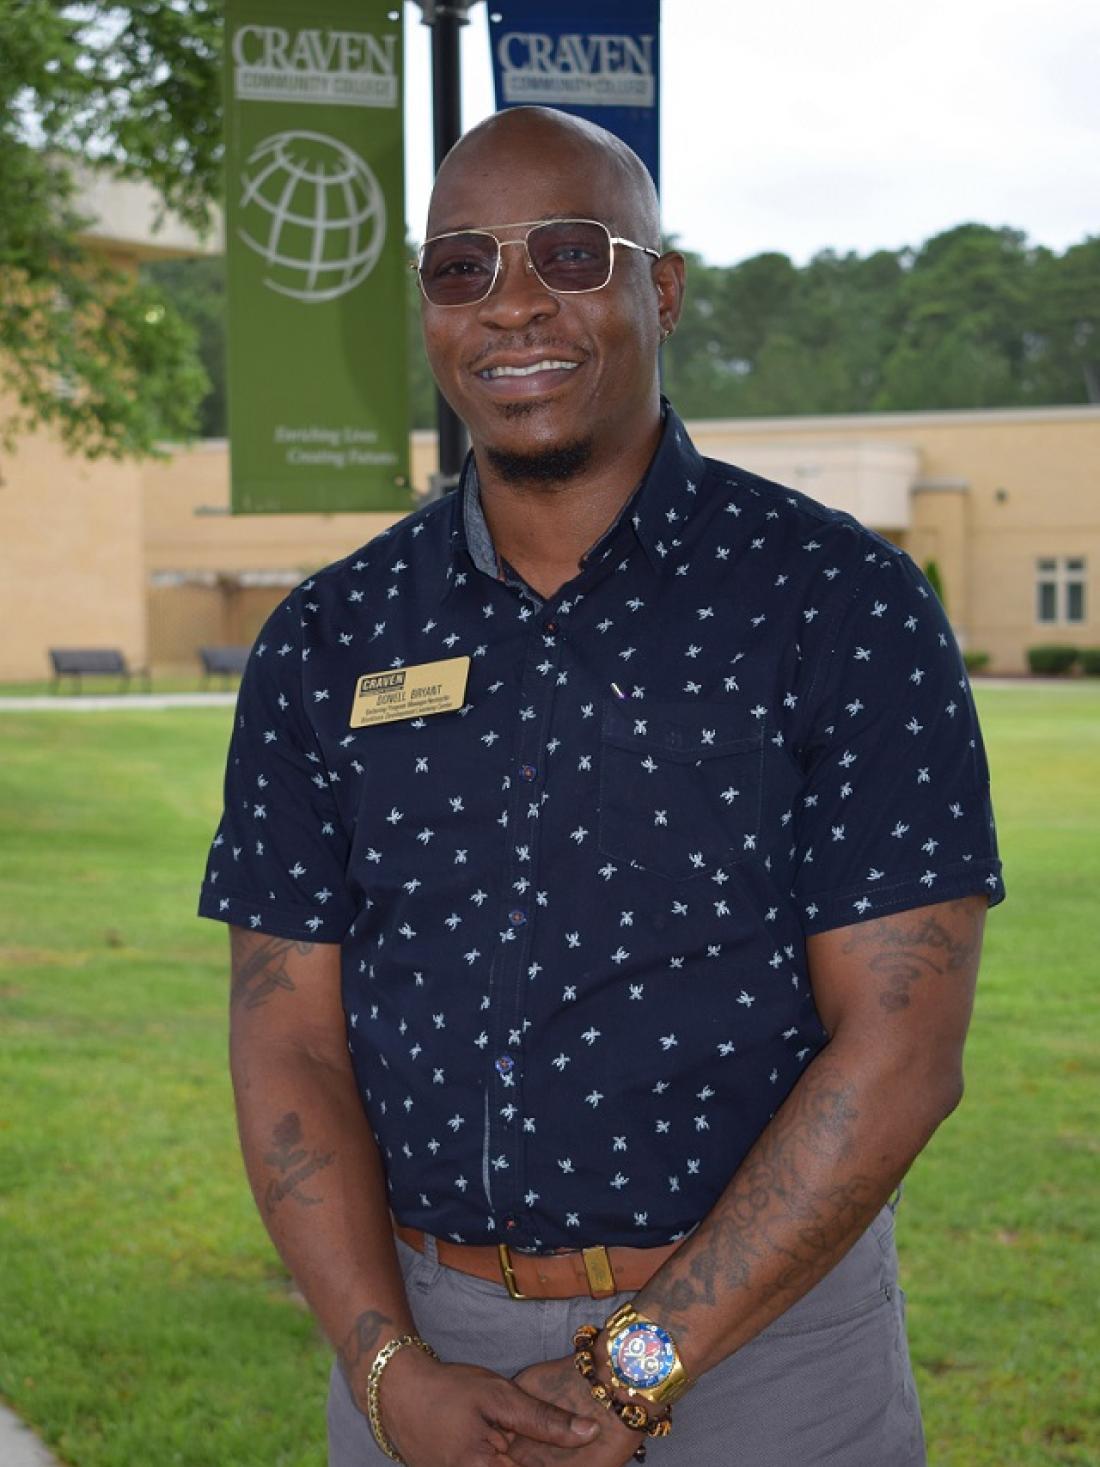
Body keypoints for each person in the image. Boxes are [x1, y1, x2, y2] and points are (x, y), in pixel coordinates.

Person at [199, 106, 1004, 1467]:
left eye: (571, 255)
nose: (513, 305)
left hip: (768, 1364)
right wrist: (389, 1370)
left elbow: (905, 1050)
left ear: (662, 288)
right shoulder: (332, 639)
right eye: (463, 268)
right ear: (426, 310)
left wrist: (634, 1367)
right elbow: (288, 1041)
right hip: (422, 1355)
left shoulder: (836, 604)